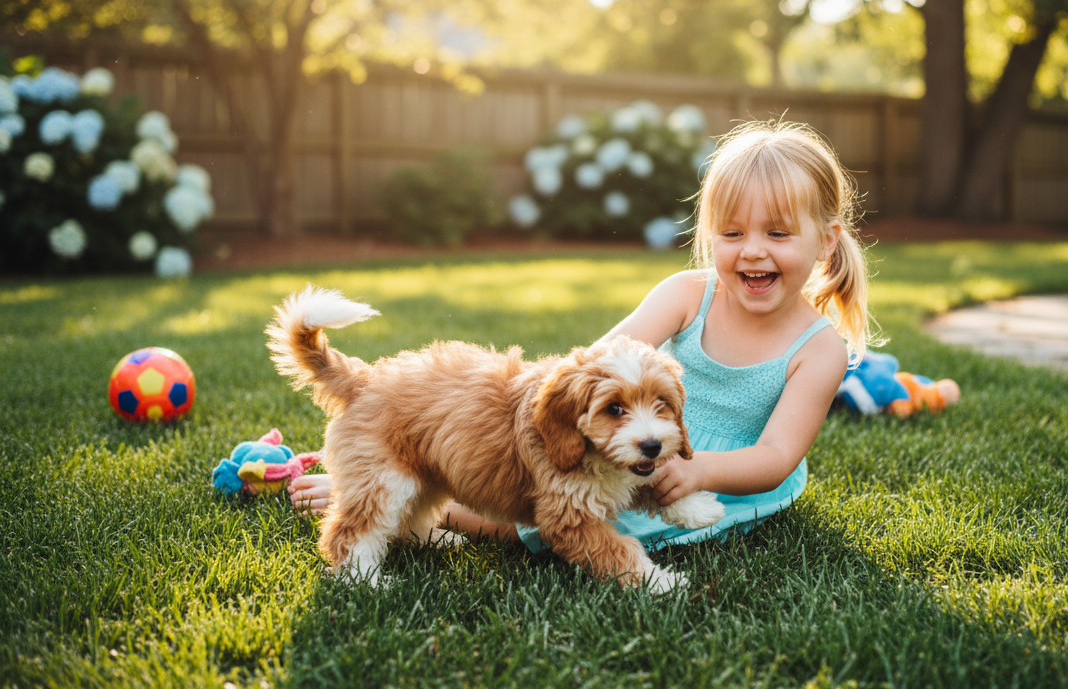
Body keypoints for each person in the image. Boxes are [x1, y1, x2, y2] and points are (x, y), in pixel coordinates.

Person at [291, 120, 874, 551]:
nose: (752, 250)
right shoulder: (687, 294)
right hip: (627, 452)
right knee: (531, 488)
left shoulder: (819, 348)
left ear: (825, 241)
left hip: (728, 478)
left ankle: (428, 511)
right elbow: (595, 364)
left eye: (777, 233)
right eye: (732, 231)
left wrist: (699, 472)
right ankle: (383, 481)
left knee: (523, 531)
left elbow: (774, 456)